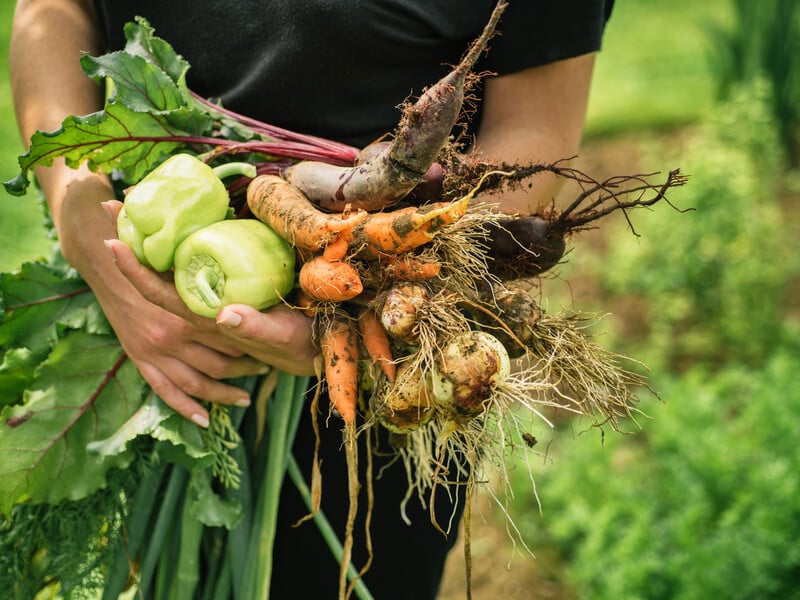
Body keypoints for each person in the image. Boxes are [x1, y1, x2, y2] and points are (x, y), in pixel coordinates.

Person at [10, 1, 614, 597]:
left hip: (394, 356)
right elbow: (51, 11)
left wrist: (378, 300)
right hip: (142, 315)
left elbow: (534, 123)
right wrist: (81, 216)